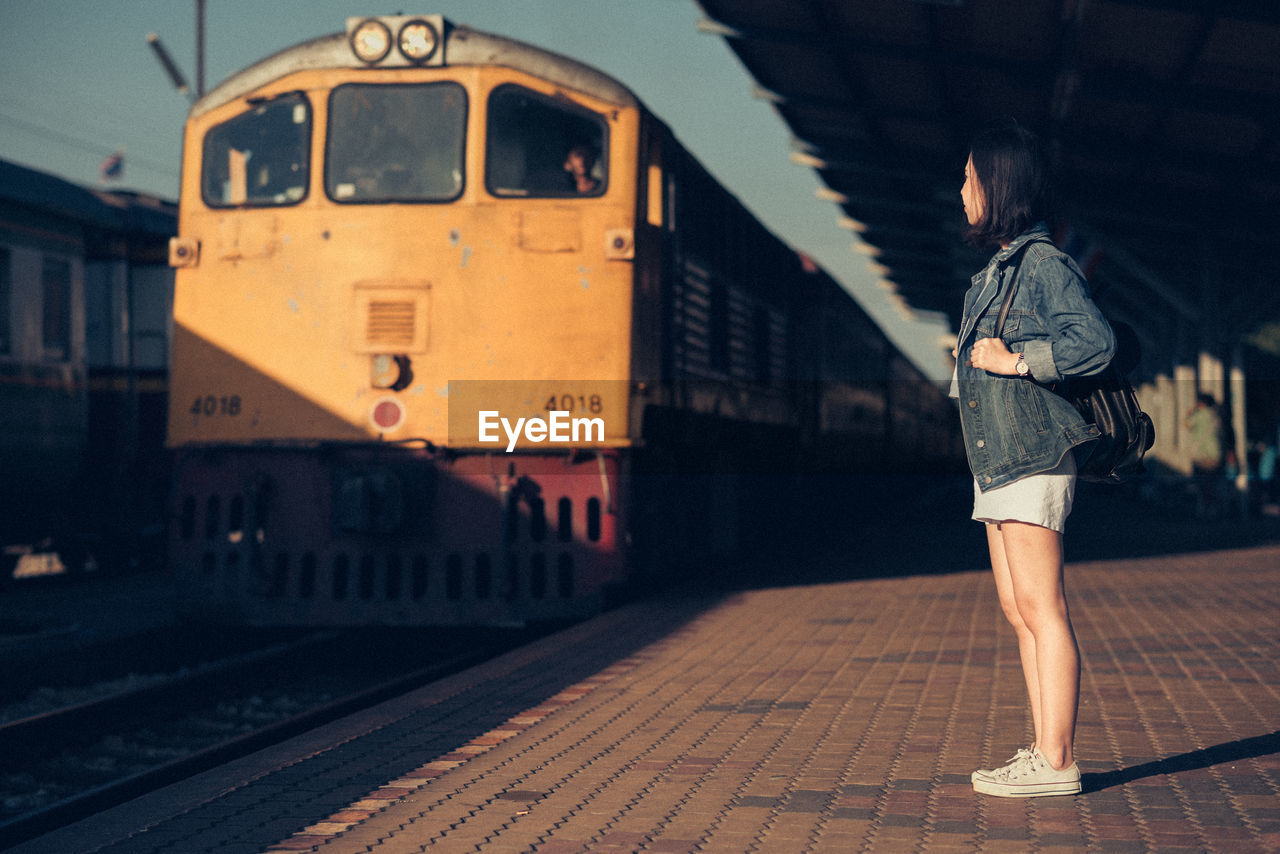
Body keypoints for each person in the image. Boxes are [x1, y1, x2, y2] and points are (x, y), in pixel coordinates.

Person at [951, 123, 1116, 798]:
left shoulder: (1044, 264)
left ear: (998, 185)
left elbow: (1094, 343)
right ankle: (1043, 749)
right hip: (998, 459)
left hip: (1033, 453)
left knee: (1043, 609)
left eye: (968, 177)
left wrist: (1016, 361)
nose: (960, 189)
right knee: (1020, 611)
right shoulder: (997, 271)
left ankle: (1057, 762)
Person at [1185, 393, 1224, 517]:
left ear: (1200, 403)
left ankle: (1205, 510)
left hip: (1202, 455)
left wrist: (1191, 412)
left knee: (1203, 485)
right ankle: (1215, 509)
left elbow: (1186, 424)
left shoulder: (1198, 415)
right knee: (1213, 484)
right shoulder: (1216, 416)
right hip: (1215, 454)